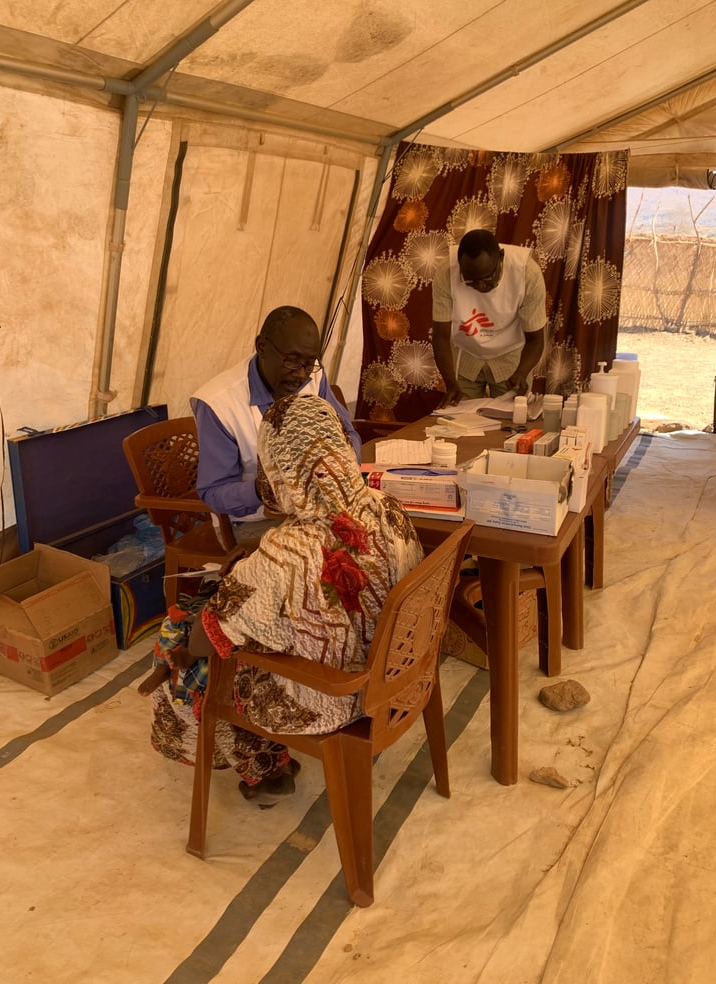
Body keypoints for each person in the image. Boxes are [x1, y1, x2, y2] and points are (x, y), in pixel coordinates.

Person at [142, 394, 424, 801]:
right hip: (398, 669)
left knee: (189, 654)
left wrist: (193, 635)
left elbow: (208, 639)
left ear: (279, 468)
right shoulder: (387, 507)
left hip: (338, 696)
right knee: (255, 627)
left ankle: (264, 767)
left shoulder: (284, 552)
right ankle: (265, 761)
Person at [191, 305, 361, 542]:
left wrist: (343, 465)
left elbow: (348, 434)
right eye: (292, 362)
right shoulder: (218, 404)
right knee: (335, 553)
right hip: (255, 521)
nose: (301, 375)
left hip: (316, 509)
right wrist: (266, 490)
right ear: (261, 346)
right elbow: (213, 492)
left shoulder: (314, 377)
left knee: (375, 533)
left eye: (309, 363)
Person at [431, 228, 547, 405]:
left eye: (488, 277)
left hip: (511, 358)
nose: (480, 286)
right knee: (461, 421)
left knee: (510, 422)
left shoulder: (527, 274)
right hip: (466, 353)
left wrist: (521, 373)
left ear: (501, 257)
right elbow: (440, 335)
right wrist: (450, 383)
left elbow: (536, 339)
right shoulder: (447, 271)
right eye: (470, 280)